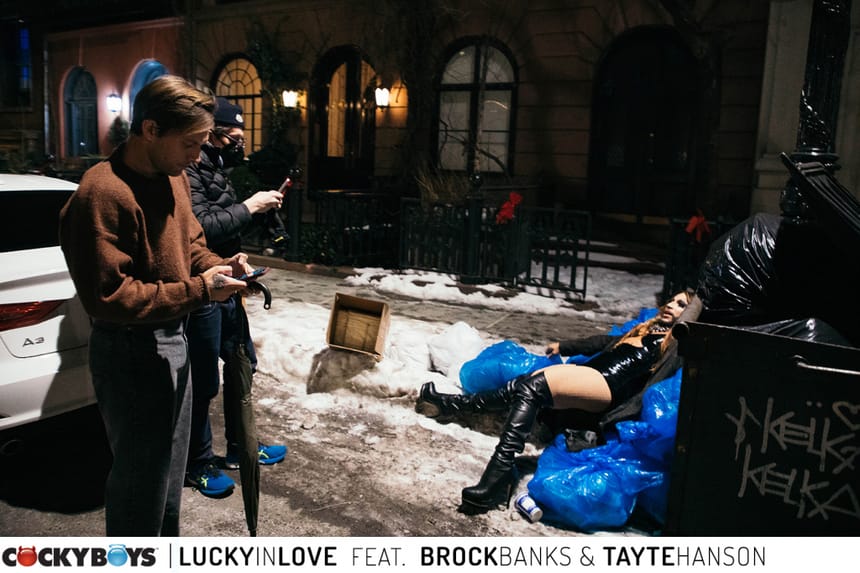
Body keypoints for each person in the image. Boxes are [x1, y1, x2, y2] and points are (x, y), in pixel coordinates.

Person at [58, 75, 257, 535]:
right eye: (190, 143)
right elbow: (110, 298)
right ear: (150, 129)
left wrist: (220, 266)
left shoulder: (174, 178)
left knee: (166, 479)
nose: (198, 155)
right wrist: (200, 289)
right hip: (129, 351)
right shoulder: (102, 192)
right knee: (139, 487)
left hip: (173, 337)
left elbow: (191, 245)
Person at [416, 290, 692, 512]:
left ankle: (496, 477)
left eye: (681, 305)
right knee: (522, 384)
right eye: (671, 300)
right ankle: (449, 405)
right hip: (591, 375)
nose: (671, 305)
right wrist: (565, 347)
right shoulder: (646, 330)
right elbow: (601, 343)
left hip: (608, 386)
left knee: (532, 387)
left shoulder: (676, 344)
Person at [183, 97, 287, 497]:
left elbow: (224, 226)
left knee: (243, 363)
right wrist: (249, 205)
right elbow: (201, 228)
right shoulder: (189, 170)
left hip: (229, 279)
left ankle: (241, 446)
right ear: (209, 133)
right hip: (204, 287)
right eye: (232, 137)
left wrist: (257, 217)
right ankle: (198, 463)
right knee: (203, 379)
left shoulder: (217, 168)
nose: (237, 145)